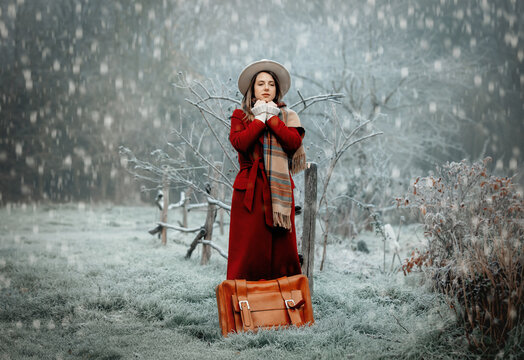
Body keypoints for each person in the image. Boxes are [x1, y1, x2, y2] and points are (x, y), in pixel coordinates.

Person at [227, 59, 306, 281]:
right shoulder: (240, 115)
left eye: (271, 84)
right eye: (261, 84)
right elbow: (240, 143)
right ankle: (243, 306)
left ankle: (283, 305)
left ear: (277, 89)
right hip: (249, 192)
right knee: (248, 253)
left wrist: (272, 119)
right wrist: (259, 119)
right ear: (252, 88)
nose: (266, 88)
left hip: (278, 192)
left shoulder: (287, 116)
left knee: (282, 255)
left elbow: (292, 143)